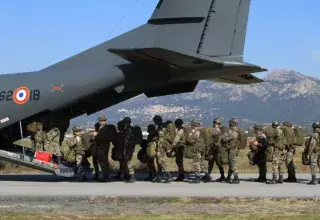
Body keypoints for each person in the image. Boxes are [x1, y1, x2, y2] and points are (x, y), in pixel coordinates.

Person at [187, 119, 207, 183]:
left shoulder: (196, 132)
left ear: (193, 125)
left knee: (196, 163)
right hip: (201, 149)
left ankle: (197, 177)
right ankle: (207, 175)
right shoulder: (202, 130)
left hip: (196, 149)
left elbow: (190, 141)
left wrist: (189, 136)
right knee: (201, 162)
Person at [92, 115, 111, 182]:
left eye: (103, 120)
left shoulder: (107, 128)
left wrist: (97, 135)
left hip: (103, 147)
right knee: (98, 161)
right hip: (98, 147)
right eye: (100, 120)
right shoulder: (99, 127)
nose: (101, 121)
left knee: (103, 162)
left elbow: (105, 137)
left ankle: (106, 177)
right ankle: (102, 175)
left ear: (105, 121)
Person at [222, 118, 240, 184]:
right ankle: (228, 177)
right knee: (231, 164)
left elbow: (224, 139)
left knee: (233, 164)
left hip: (232, 150)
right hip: (233, 149)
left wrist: (224, 134)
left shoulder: (233, 133)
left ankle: (236, 178)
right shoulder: (236, 132)